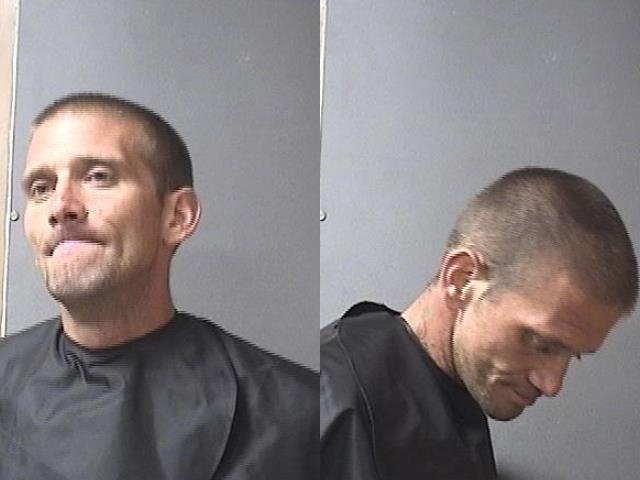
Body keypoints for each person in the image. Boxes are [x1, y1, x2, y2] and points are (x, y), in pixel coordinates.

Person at [0, 93, 318, 479]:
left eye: (98, 176)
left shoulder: (297, 419)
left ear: (177, 217)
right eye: (41, 188)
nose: (60, 206)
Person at [320, 167, 638, 480]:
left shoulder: (455, 400)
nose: (552, 384)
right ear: (462, 280)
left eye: (573, 355)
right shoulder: (326, 407)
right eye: (541, 345)